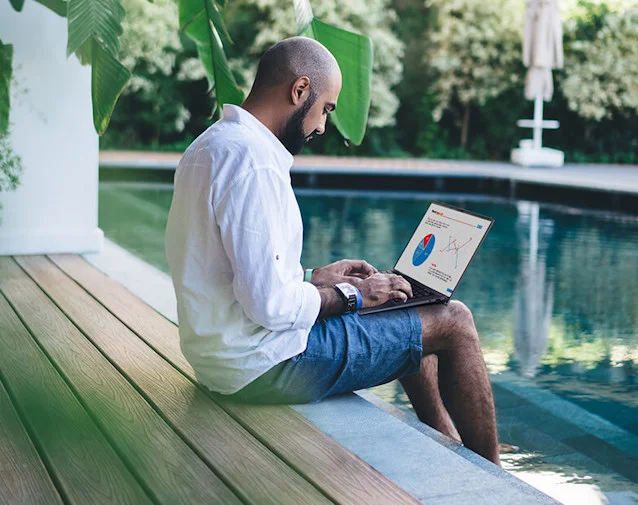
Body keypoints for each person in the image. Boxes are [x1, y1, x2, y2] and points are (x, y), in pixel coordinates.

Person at [165, 36, 501, 465]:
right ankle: (497, 476)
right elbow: (269, 305)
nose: (322, 126)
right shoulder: (255, 164)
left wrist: (316, 279)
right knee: (454, 320)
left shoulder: (211, 146)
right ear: (299, 90)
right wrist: (357, 295)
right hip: (264, 365)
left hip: (224, 357)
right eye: (324, 108)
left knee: (405, 308)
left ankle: (448, 438)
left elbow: (232, 272)